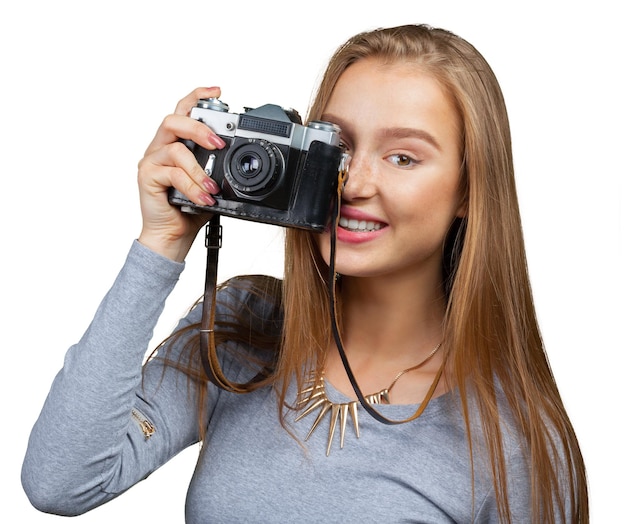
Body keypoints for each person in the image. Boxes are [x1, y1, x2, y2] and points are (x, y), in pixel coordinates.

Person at [22, 24, 588, 523]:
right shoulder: (244, 327)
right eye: (337, 148)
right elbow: (61, 482)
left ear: (469, 188)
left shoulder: (511, 441)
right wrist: (160, 245)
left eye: (403, 157)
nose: (355, 183)